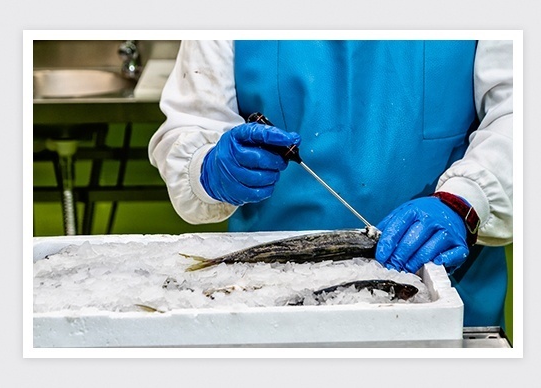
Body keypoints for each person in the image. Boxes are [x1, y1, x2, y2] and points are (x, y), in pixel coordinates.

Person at [148, 40, 513, 327]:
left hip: (444, 298)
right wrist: (208, 166)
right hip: (269, 303)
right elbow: (191, 122)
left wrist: (465, 200)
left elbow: (524, 110)